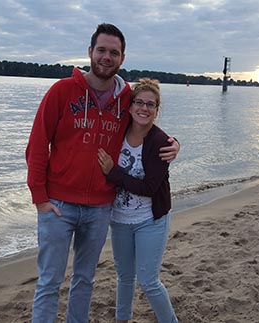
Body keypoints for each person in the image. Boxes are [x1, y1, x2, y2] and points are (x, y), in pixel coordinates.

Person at [25, 24, 179, 323]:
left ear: (122, 58)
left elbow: (146, 121)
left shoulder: (126, 99)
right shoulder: (61, 91)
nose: (107, 57)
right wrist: (40, 198)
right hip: (58, 204)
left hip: (100, 207)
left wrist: (174, 144)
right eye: (102, 50)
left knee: (85, 280)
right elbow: (37, 144)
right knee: (49, 282)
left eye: (114, 52)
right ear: (90, 53)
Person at [97, 78, 178, 323]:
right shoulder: (117, 131)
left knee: (148, 281)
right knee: (124, 276)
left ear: (156, 110)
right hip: (119, 219)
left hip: (149, 220)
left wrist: (114, 174)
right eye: (139, 103)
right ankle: (122, 319)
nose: (144, 108)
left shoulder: (161, 143)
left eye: (150, 105)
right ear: (130, 107)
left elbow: (150, 188)